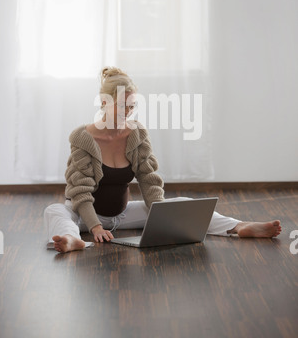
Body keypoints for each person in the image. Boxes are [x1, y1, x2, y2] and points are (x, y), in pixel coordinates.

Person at [44, 67, 282, 253]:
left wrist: (162, 217)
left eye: (132, 106)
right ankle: (72, 239)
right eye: (122, 106)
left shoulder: (136, 133)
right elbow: (80, 192)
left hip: (122, 214)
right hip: (86, 217)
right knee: (55, 210)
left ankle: (238, 227)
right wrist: (95, 226)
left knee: (181, 203)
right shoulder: (83, 138)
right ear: (104, 102)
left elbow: (149, 179)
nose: (128, 112)